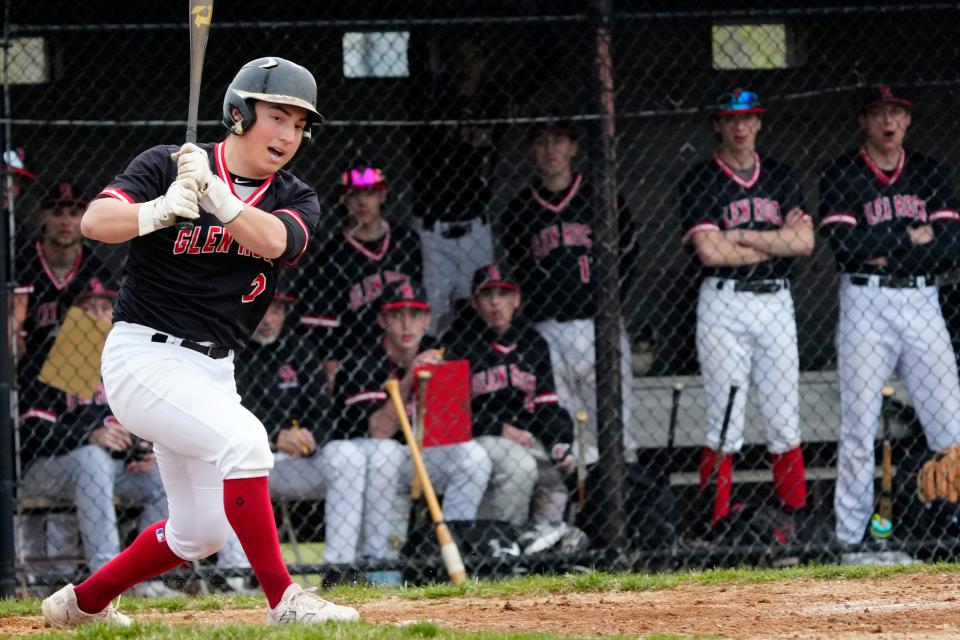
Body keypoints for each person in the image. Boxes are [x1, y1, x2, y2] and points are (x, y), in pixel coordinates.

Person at [41, 57, 359, 628]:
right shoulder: (166, 165)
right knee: (247, 442)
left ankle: (80, 605)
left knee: (201, 532)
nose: (288, 135)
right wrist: (158, 211)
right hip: (143, 355)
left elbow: (277, 242)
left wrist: (219, 199)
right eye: (277, 116)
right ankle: (284, 600)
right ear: (238, 113)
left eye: (299, 124)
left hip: (214, 370)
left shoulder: (294, 193)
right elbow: (95, 222)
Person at [819, 85, 960, 545]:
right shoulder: (842, 174)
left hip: (922, 300)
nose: (888, 121)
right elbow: (845, 248)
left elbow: (950, 247)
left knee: (950, 423)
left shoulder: (930, 172)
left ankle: (950, 524)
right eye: (879, 112)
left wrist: (884, 249)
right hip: (866, 302)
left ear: (908, 119)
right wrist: (910, 240)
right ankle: (851, 538)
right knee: (859, 426)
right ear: (864, 120)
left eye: (897, 111)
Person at [677, 89, 813, 540]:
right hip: (724, 303)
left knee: (783, 419)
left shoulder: (781, 175)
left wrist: (740, 235)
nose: (740, 126)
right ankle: (716, 527)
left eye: (749, 118)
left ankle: (790, 524)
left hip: (776, 301)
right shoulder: (700, 179)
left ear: (759, 123)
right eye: (730, 118)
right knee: (724, 423)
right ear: (718, 124)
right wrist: (772, 239)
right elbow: (710, 253)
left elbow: (805, 243)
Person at [501, 119, 640, 469]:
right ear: (531, 150)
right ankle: (569, 518)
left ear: (574, 148)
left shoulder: (602, 196)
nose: (551, 150)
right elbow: (519, 271)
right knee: (563, 439)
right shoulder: (519, 210)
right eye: (542, 142)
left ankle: (626, 509)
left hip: (600, 323)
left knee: (617, 432)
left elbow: (630, 257)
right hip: (546, 329)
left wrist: (611, 305)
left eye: (559, 140)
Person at [18, 283, 170, 594]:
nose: (100, 317)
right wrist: (91, 435)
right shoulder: (49, 359)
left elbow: (136, 423)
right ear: (73, 315)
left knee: (164, 474)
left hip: (109, 472)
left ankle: (143, 577)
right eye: (90, 309)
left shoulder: (122, 362)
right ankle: (107, 576)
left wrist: (142, 450)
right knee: (92, 457)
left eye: (105, 307)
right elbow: (34, 437)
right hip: (45, 470)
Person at [333, 281, 492, 573]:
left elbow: (451, 430)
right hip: (367, 459)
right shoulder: (362, 360)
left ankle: (452, 546)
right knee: (386, 452)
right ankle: (376, 559)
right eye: (397, 315)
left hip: (419, 456)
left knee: (474, 458)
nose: (407, 324)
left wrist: (438, 380)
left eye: (415, 315)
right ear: (383, 320)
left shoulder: (440, 355)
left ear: (427, 319)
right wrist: (409, 380)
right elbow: (379, 431)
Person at [216, 291, 370, 588]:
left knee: (349, 456)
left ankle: (337, 569)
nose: (269, 319)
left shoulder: (300, 350)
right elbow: (225, 413)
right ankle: (235, 574)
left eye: (277, 311)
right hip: (249, 460)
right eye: (264, 310)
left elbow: (324, 411)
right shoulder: (229, 350)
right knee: (222, 459)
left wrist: (313, 438)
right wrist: (274, 436)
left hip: (296, 462)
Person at [443, 265, 574, 531]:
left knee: (572, 465)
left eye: (503, 294)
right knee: (520, 466)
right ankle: (504, 544)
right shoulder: (457, 344)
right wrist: (498, 428)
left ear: (516, 299)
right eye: (487, 295)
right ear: (475, 302)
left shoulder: (533, 343)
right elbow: (451, 416)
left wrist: (560, 440)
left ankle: (544, 539)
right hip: (478, 437)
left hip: (528, 434)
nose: (495, 302)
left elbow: (547, 405)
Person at [296, 160, 422, 394]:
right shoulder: (333, 254)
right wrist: (330, 358)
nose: (362, 201)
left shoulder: (407, 242)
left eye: (370, 193)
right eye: (354, 195)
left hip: (401, 349)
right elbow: (321, 320)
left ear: (383, 196)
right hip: (356, 357)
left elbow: (419, 298)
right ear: (344, 200)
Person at [408, 35, 505, 336]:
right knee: (430, 322)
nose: (466, 66)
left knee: (479, 318)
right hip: (432, 231)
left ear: (485, 62)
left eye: (474, 57)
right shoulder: (433, 98)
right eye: (459, 59)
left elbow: (543, 67)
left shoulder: (493, 99)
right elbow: (418, 61)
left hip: (475, 227)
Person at [14, 181, 107, 402]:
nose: (65, 221)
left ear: (85, 218)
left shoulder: (94, 268)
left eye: (74, 213)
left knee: (99, 317)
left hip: (75, 369)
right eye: (56, 212)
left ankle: (74, 414)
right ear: (42, 217)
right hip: (28, 366)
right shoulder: (23, 261)